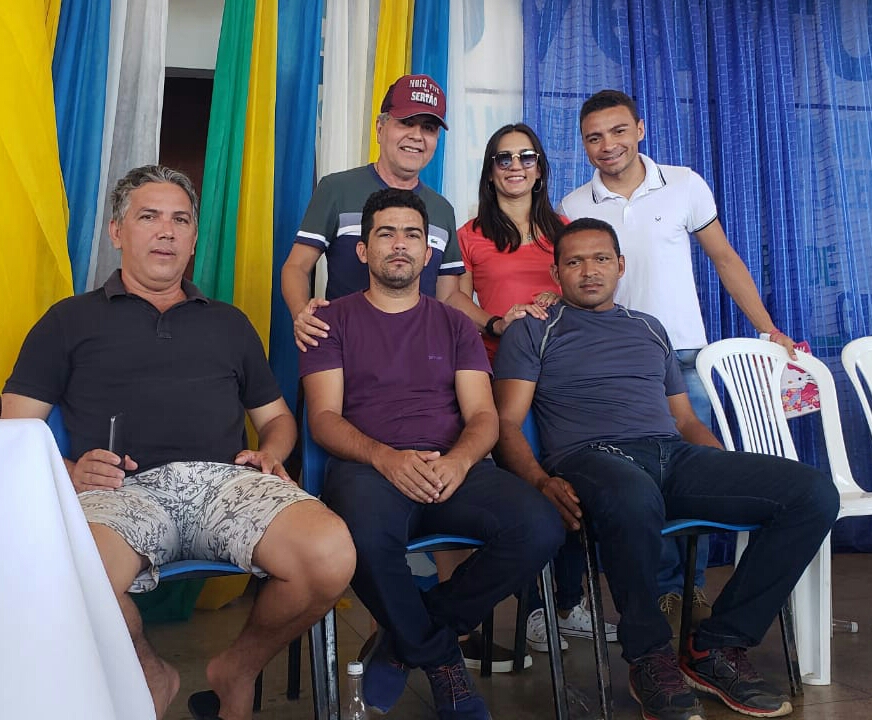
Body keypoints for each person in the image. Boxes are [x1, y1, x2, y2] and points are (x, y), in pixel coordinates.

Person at [1, 165, 356, 720]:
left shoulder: (231, 324)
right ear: (118, 232)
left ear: (193, 239)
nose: (166, 231)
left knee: (332, 554)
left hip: (226, 484)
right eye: (149, 217)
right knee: (77, 572)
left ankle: (237, 667)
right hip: (122, 487)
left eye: (180, 220)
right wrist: (70, 471)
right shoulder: (67, 321)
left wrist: (272, 451)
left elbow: (279, 419)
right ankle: (150, 673)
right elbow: (16, 429)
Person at [492, 217, 839, 720]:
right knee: (633, 496)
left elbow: (684, 419)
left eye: (601, 259)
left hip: (671, 455)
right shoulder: (534, 331)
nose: (589, 271)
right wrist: (540, 480)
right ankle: (650, 656)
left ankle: (715, 646)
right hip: (592, 458)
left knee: (812, 493)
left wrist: (723, 465)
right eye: (575, 261)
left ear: (620, 266)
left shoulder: (649, 328)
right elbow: (506, 424)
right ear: (556, 272)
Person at [299, 188, 564, 720]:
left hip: (453, 464)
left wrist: (459, 462)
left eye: (413, 235)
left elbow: (484, 416)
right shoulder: (330, 320)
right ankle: (442, 661)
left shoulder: (455, 324)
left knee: (541, 526)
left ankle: (406, 640)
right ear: (362, 250)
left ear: (428, 254)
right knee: (364, 539)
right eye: (386, 233)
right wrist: (385, 458)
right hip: (367, 467)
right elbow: (324, 419)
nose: (400, 245)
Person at [559, 89, 798, 633]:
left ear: (640, 129)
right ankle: (665, 592)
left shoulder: (685, 183)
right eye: (594, 137)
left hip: (685, 356)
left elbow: (724, 257)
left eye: (618, 131)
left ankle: (691, 584)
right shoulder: (574, 206)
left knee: (694, 476)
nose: (607, 145)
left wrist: (767, 327)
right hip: (617, 365)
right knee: (639, 482)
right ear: (583, 144)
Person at [458, 122, 619, 653]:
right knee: (533, 490)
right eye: (503, 158)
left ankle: (569, 604)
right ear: (490, 169)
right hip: (502, 377)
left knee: (576, 481)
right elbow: (449, 301)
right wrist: (499, 322)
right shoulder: (472, 232)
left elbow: (587, 288)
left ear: (541, 166)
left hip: (563, 375)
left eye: (526, 156)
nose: (515, 166)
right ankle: (533, 612)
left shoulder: (564, 226)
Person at [283, 73, 475, 353]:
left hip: (420, 356)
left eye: (429, 128)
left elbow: (448, 297)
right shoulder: (337, 189)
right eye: (406, 123)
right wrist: (302, 315)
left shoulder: (442, 209)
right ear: (380, 128)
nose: (416, 136)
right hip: (347, 353)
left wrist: (495, 324)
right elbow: (296, 267)